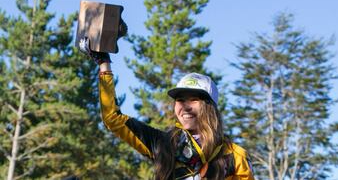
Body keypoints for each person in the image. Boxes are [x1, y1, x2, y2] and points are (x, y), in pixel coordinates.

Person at [78, 37, 255, 180]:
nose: (185, 107)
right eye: (179, 100)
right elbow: (112, 118)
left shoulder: (234, 156)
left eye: (193, 100)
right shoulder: (163, 144)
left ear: (209, 107)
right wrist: (104, 63)